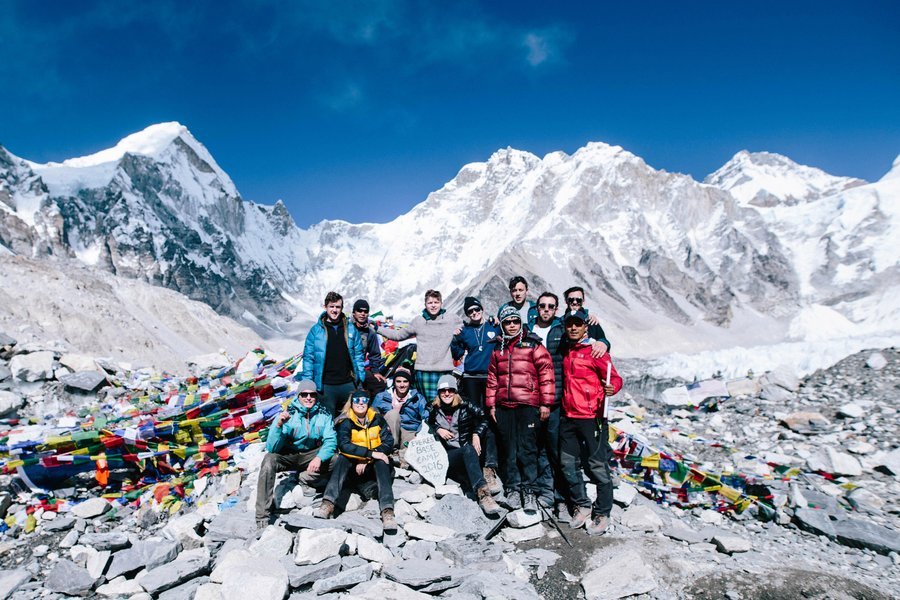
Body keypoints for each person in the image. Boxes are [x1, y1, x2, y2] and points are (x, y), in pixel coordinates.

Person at [559, 308, 623, 536]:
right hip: (569, 416)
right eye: (570, 325)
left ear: (586, 327)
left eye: (578, 324)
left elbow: (615, 377)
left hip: (592, 417)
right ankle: (582, 505)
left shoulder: (595, 351)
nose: (574, 328)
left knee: (597, 465)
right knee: (568, 463)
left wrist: (612, 388)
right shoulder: (567, 349)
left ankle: (603, 511)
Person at [485, 305, 555, 514]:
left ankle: (530, 492)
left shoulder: (533, 345)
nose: (512, 325)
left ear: (520, 322)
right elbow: (492, 379)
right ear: (502, 325)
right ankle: (513, 489)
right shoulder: (498, 349)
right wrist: (491, 405)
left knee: (528, 450)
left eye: (515, 321)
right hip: (504, 407)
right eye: (507, 322)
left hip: (528, 406)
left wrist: (545, 404)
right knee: (510, 450)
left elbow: (547, 375)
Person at [256, 379, 336, 529]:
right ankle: (262, 516)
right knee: (268, 461)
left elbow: (331, 441)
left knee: (336, 459)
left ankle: (307, 480)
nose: (308, 398)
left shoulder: (324, 415)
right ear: (298, 396)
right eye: (304, 394)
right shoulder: (287, 414)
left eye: (312, 394)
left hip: (310, 455)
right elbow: (272, 447)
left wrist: (319, 457)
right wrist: (279, 425)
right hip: (289, 455)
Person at [316, 390, 397, 532]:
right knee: (342, 458)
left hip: (372, 467)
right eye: (357, 400)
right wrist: (369, 454)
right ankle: (328, 503)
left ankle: (387, 511)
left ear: (368, 403)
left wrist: (369, 458)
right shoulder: (345, 421)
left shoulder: (377, 419)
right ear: (352, 403)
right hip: (353, 469)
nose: (361, 403)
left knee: (382, 461)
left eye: (364, 400)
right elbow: (344, 445)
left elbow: (388, 441)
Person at [427, 375, 502, 516]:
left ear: (456, 391)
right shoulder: (433, 407)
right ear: (438, 392)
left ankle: (486, 487)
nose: (447, 393)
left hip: (466, 450)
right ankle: (483, 493)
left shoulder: (466, 404)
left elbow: (484, 418)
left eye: (450, 390)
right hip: (448, 456)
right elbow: (427, 423)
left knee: (487, 434)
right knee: (467, 449)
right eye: (443, 390)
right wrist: (438, 429)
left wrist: (476, 434)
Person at [450, 296, 502, 493]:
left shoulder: (493, 326)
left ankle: (490, 465)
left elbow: (507, 336)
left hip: (490, 377)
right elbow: (456, 353)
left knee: (490, 416)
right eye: (470, 311)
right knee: (473, 417)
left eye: (476, 309)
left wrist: (497, 320)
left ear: (481, 309)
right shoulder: (465, 331)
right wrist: (455, 337)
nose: (474, 313)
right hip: (471, 378)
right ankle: (475, 462)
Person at [373, 289, 462, 402]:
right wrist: (377, 328)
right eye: (430, 303)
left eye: (436, 302)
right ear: (425, 304)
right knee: (426, 405)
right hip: (424, 371)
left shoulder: (451, 319)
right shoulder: (418, 321)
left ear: (441, 303)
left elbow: (468, 328)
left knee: (446, 404)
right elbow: (398, 335)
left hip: (445, 370)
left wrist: (490, 323)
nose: (433, 305)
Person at [300, 291, 366, 416]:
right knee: (328, 422)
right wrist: (307, 383)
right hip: (326, 386)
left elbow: (358, 355)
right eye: (332, 306)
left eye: (338, 307)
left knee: (349, 422)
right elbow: (308, 358)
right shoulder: (315, 331)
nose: (335, 310)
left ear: (342, 308)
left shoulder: (350, 328)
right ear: (325, 307)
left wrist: (360, 377)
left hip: (348, 384)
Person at [372, 367, 428, 452]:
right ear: (394, 382)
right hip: (388, 431)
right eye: (398, 381)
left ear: (409, 383)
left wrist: (418, 434)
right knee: (393, 414)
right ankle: (391, 448)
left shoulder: (417, 397)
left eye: (405, 381)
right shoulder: (382, 396)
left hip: (410, 430)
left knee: (412, 450)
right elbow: (372, 415)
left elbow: (426, 418)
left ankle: (401, 456)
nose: (402, 385)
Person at [351, 299, 387, 399]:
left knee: (380, 384)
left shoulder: (370, 332)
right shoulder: (346, 328)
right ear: (354, 313)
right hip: (344, 369)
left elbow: (375, 354)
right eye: (359, 311)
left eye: (365, 311)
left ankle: (370, 408)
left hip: (360, 369)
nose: (363, 314)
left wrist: (375, 371)